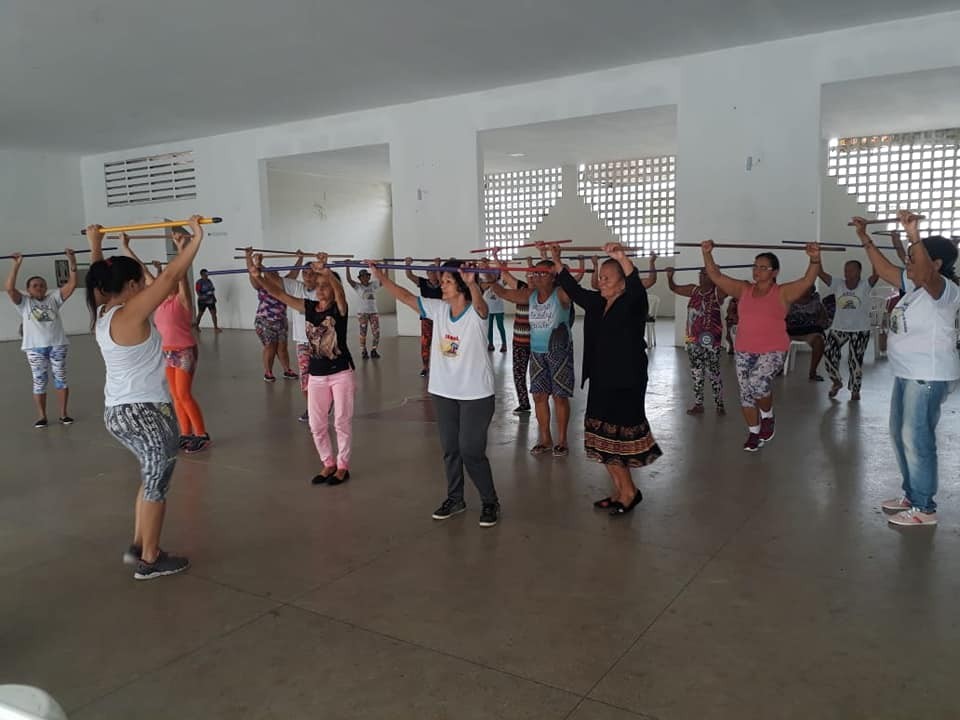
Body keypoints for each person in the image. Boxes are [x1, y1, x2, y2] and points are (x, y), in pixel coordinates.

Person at [84, 217, 203, 580]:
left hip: (120, 412)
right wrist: (196, 238)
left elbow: (99, 277)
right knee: (157, 485)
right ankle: (150, 559)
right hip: (144, 413)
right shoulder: (130, 313)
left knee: (150, 478)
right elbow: (168, 280)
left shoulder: (104, 313)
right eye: (139, 283)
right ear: (133, 285)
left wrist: (96, 244)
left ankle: (139, 544)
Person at [375, 258, 500, 527]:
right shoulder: (438, 309)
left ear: (461, 285)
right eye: (441, 280)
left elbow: (480, 306)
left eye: (446, 281)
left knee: (471, 450)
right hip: (444, 392)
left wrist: (472, 285)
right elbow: (407, 296)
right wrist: (380, 276)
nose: (440, 285)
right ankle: (455, 498)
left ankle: (490, 501)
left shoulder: (476, 313)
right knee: (450, 449)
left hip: (476, 394)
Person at [855, 212, 960, 527]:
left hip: (926, 375)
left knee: (917, 438)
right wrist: (864, 237)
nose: (908, 264)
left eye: (914, 259)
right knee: (901, 435)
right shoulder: (914, 289)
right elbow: (884, 268)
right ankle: (912, 495)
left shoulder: (944, 291)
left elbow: (926, 275)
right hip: (907, 373)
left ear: (936, 264)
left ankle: (924, 508)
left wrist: (914, 235)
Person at [552, 243, 661, 515]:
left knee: (618, 442)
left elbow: (636, 285)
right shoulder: (598, 302)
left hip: (626, 382)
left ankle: (630, 493)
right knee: (602, 439)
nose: (601, 282)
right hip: (601, 380)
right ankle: (620, 491)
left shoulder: (633, 301)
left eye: (607, 278)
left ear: (622, 283)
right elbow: (573, 290)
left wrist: (622, 258)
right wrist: (555, 260)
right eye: (600, 277)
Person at [701, 240, 821, 452]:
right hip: (745, 349)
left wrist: (814, 259)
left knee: (757, 381)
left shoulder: (783, 292)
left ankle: (768, 415)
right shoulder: (744, 289)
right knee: (746, 393)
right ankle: (754, 433)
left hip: (773, 349)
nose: (757, 271)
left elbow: (806, 280)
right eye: (755, 266)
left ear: (774, 272)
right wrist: (707, 253)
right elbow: (716, 276)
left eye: (763, 267)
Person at [250, 253, 355, 486]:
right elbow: (279, 294)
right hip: (317, 375)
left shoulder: (339, 309)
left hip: (341, 373)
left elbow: (341, 294)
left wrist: (328, 275)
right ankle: (328, 462)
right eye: (318, 287)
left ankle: (343, 465)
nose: (320, 290)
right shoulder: (308, 307)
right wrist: (259, 277)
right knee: (316, 424)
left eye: (324, 287)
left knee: (341, 421)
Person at [120, 232, 210, 453]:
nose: (161, 284)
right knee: (175, 396)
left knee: (184, 394)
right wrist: (126, 248)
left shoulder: (181, 301)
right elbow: (142, 269)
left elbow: (181, 276)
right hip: (166, 353)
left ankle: (201, 434)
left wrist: (182, 249)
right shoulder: (158, 301)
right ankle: (185, 433)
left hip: (184, 352)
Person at [491, 259, 574, 457]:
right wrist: (489, 274)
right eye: (534, 273)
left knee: (560, 397)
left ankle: (562, 440)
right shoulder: (530, 295)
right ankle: (545, 439)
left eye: (541, 273)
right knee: (539, 395)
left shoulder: (561, 294)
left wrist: (559, 263)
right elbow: (503, 293)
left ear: (553, 277)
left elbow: (573, 288)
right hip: (536, 351)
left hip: (559, 351)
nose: (535, 277)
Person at [5, 249, 78, 427]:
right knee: (39, 381)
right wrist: (16, 265)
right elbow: (9, 288)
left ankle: (63, 414)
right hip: (34, 348)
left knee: (60, 379)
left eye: (42, 285)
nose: (39, 287)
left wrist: (72, 260)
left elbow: (72, 285)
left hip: (57, 345)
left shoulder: (54, 298)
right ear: (28, 289)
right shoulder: (24, 303)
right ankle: (42, 416)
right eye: (35, 285)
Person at [667, 267, 726, 414]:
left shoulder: (718, 292)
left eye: (705, 274)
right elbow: (674, 288)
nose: (701, 277)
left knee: (713, 372)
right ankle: (698, 404)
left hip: (711, 340)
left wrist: (718, 275)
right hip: (692, 339)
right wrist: (669, 276)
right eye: (700, 274)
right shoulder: (694, 290)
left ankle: (719, 404)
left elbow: (735, 289)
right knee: (696, 372)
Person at [818, 257, 878, 400]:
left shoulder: (865, 285)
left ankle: (855, 390)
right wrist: (816, 256)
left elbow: (877, 273)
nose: (847, 272)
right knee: (828, 353)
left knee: (855, 360)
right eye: (846, 269)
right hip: (839, 328)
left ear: (859, 271)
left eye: (851, 269)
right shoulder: (837, 284)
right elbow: (819, 272)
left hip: (860, 329)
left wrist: (871, 252)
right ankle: (836, 382)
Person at [244, 248, 297, 382]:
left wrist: (300, 258)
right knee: (270, 346)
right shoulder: (260, 285)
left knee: (282, 348)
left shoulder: (283, 284)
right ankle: (268, 372)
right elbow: (252, 273)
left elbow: (295, 272)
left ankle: (287, 370)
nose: (273, 274)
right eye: (270, 273)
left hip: (281, 321)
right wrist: (249, 257)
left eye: (275, 273)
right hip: (264, 320)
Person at [282, 252, 319, 422]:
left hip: (320, 341)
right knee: (305, 377)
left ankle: (323, 405)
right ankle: (312, 409)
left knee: (321, 377)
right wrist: (255, 267)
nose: (308, 276)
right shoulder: (297, 288)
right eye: (305, 273)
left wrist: (322, 264)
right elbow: (275, 280)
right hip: (302, 341)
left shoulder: (323, 290)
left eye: (311, 273)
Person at [495, 257, 533, 415]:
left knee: (540, 378)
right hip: (519, 341)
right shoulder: (521, 288)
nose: (531, 278)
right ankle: (524, 403)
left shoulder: (545, 293)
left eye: (534, 276)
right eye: (529, 276)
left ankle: (543, 402)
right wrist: (498, 261)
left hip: (538, 343)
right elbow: (506, 278)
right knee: (518, 373)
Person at [404, 257, 442, 377]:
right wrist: (408, 264)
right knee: (426, 342)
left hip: (441, 318)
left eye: (435, 272)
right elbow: (409, 275)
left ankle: (441, 366)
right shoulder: (423, 283)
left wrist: (438, 265)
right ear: (427, 273)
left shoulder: (443, 283)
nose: (432, 275)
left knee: (442, 342)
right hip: (426, 318)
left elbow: (443, 280)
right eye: (430, 272)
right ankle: (425, 367)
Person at [785, 285, 829, 381]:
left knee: (819, 341)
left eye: (808, 290)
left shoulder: (817, 304)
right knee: (777, 339)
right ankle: (779, 368)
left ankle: (812, 372)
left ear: (812, 291)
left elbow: (825, 319)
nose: (804, 292)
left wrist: (821, 321)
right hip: (790, 332)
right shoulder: (790, 301)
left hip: (810, 333)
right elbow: (780, 317)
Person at [346, 267, 381, 359]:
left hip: (373, 312)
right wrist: (347, 267)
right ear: (360, 278)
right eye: (362, 277)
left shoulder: (373, 285)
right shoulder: (358, 286)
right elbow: (349, 280)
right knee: (363, 333)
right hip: (362, 313)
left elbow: (384, 280)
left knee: (376, 332)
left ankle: (374, 350)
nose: (365, 278)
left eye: (366, 276)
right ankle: (363, 351)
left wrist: (384, 266)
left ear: (369, 277)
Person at [482, 273, 507, 353]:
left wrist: (504, 268)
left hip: (499, 309)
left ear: (497, 276)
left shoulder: (500, 283)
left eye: (494, 274)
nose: (492, 276)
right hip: (488, 309)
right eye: (491, 274)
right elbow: (483, 287)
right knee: (489, 328)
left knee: (500, 327)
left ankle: (504, 344)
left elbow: (506, 280)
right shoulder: (484, 283)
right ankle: (491, 344)